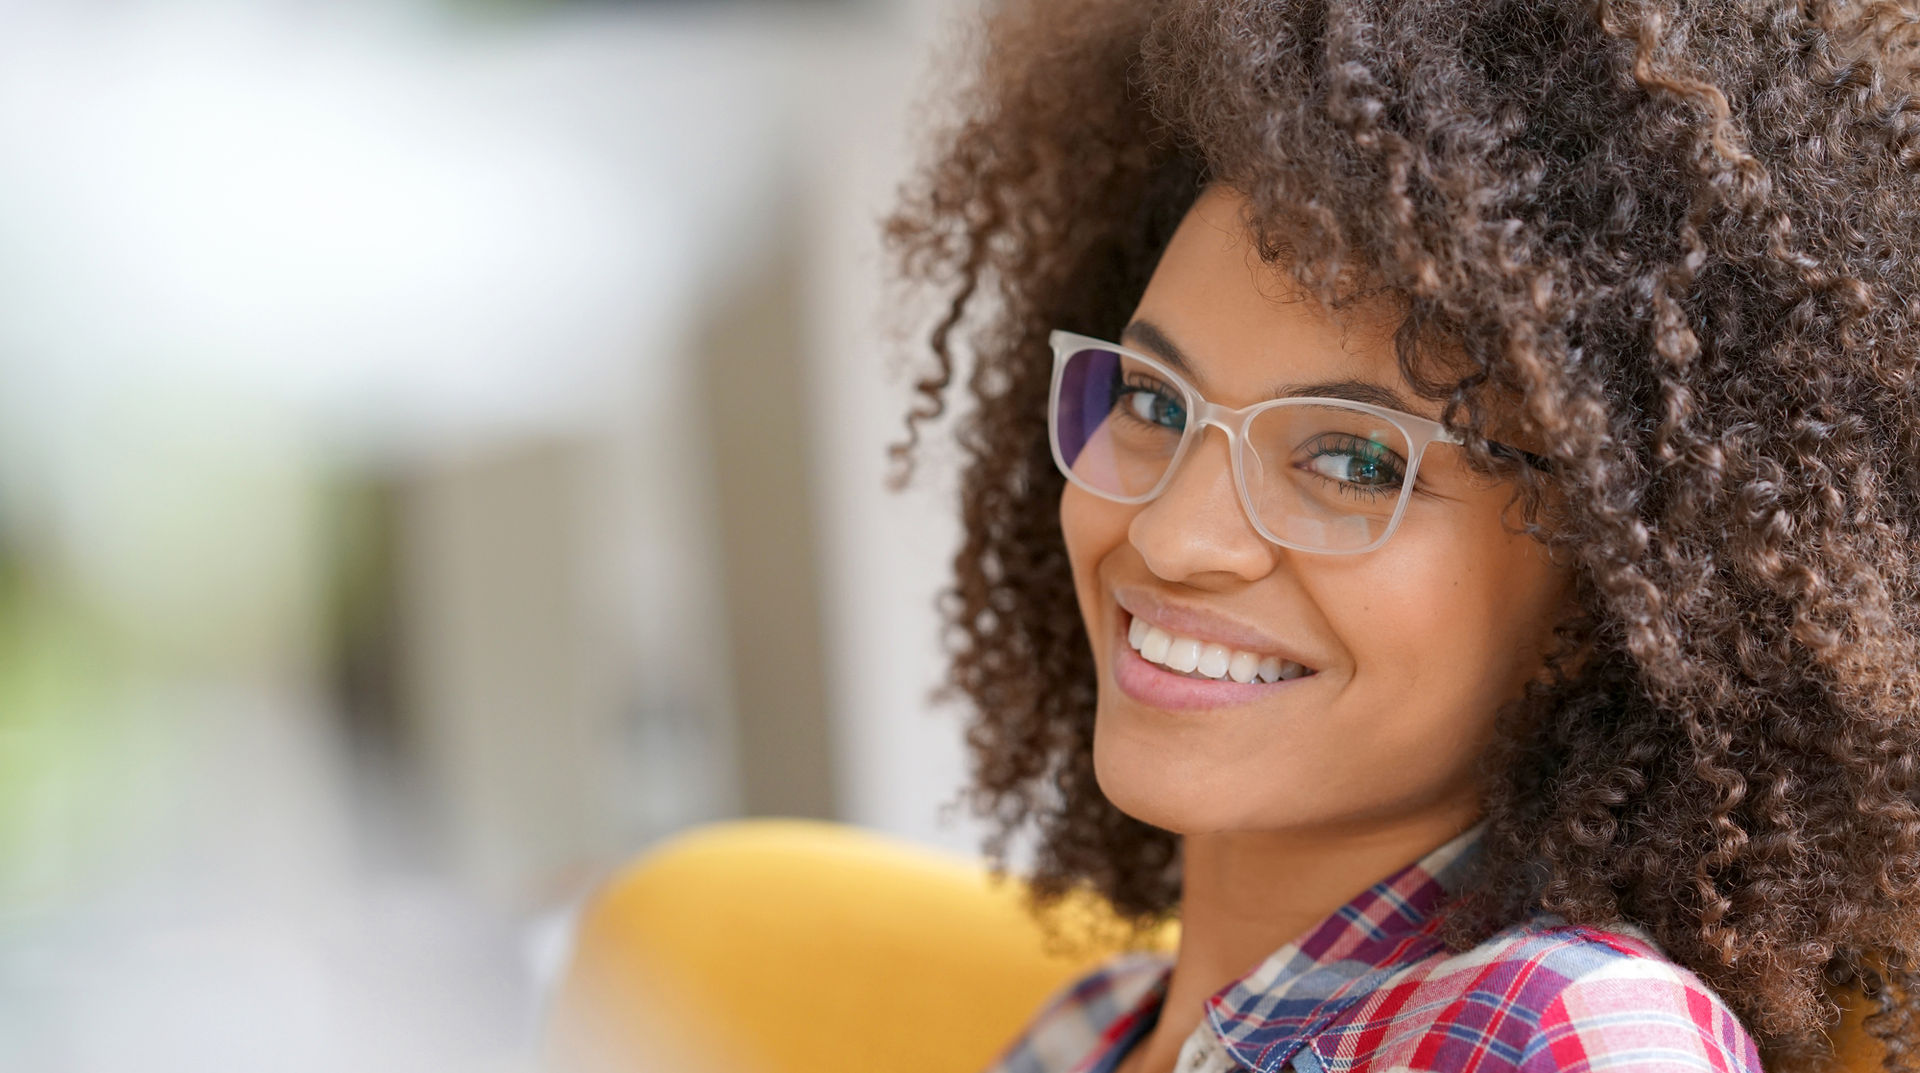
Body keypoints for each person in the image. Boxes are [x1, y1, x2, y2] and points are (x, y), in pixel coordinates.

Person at [882, 1, 1920, 1072]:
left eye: (1354, 461)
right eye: (1152, 401)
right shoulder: (1083, 1031)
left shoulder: (1556, 1032)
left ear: (1619, 589)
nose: (1174, 533)